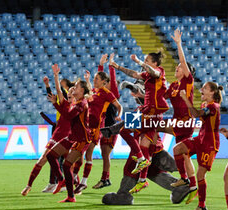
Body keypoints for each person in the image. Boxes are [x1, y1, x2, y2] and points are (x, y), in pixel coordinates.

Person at [109, 50, 169, 194]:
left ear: (154, 63)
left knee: (123, 129)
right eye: (145, 60)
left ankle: (141, 159)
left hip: (152, 112)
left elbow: (153, 72)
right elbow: (134, 74)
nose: (145, 63)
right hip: (147, 111)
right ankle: (142, 180)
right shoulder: (147, 75)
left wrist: (138, 61)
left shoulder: (159, 71)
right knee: (144, 146)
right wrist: (118, 67)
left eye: (147, 60)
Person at [74, 54, 123, 193]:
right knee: (98, 153)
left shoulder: (110, 92)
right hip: (97, 127)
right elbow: (93, 91)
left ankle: (104, 178)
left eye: (97, 79)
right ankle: (85, 180)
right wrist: (91, 77)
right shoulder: (97, 92)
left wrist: (109, 65)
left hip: (108, 126)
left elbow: (109, 80)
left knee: (104, 153)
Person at [173, 82, 223, 210]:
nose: (201, 89)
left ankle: (202, 206)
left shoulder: (214, 106)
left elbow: (195, 114)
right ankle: (184, 179)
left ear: (212, 92)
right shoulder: (205, 105)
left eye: (205, 88)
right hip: (199, 139)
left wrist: (185, 98)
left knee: (201, 174)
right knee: (177, 149)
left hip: (209, 144)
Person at [45, 64, 91, 202]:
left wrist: (55, 104)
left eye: (76, 86)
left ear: (82, 90)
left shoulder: (81, 104)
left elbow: (68, 116)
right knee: (51, 155)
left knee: (66, 165)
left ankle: (71, 196)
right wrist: (55, 77)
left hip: (82, 139)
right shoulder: (76, 102)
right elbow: (66, 113)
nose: (73, 88)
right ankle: (61, 181)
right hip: (72, 137)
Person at [20, 75, 73, 196]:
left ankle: (70, 185)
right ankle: (30, 186)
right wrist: (52, 80)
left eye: (71, 91)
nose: (68, 93)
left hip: (69, 138)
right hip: (57, 135)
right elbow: (58, 91)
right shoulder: (64, 103)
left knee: (70, 163)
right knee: (44, 159)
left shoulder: (80, 106)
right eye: (68, 92)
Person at [164, 29, 196, 188]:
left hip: (186, 122)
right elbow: (160, 98)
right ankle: (192, 185)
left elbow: (183, 61)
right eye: (176, 67)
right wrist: (142, 96)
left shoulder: (188, 82)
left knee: (151, 127)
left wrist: (178, 44)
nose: (177, 68)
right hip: (176, 122)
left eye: (180, 67)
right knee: (184, 156)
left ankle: (146, 160)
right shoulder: (173, 86)